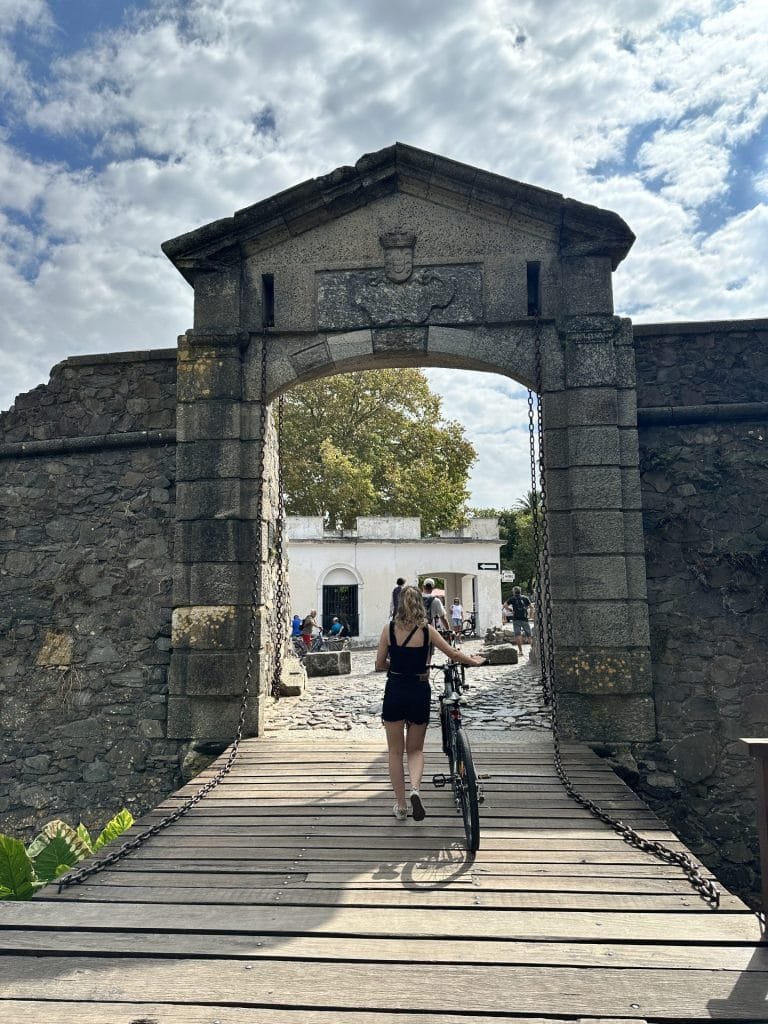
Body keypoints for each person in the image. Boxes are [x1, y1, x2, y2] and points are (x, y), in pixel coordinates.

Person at [375, 585, 487, 821]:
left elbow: (379, 664)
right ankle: (416, 789)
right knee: (415, 750)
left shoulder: (389, 629)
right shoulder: (426, 631)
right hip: (419, 689)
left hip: (395, 689)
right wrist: (473, 661)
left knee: (395, 753)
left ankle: (402, 806)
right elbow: (453, 654)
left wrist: (396, 666)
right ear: (420, 603)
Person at [508, 586, 532, 655]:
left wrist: (511, 610)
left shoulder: (512, 598)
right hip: (525, 619)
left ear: (513, 592)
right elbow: (531, 607)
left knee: (518, 635)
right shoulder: (525, 598)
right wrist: (530, 615)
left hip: (516, 619)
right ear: (520, 591)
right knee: (529, 635)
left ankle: (521, 651)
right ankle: (533, 649)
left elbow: (505, 605)